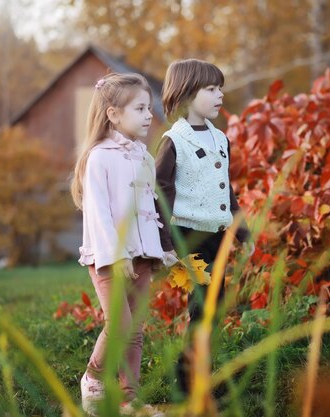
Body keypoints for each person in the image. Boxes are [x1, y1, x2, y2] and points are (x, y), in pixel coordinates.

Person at [70, 72, 177, 416]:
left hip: (142, 256)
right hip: (108, 258)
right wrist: (116, 256)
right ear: (114, 114)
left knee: (135, 331)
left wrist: (162, 248)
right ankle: (94, 379)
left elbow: (150, 209)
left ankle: (130, 399)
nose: (149, 115)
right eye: (141, 108)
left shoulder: (143, 157)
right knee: (121, 325)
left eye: (150, 108)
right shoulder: (99, 157)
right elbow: (99, 213)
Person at [155, 59, 254, 394]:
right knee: (204, 304)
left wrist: (243, 232)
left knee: (214, 306)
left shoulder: (220, 139)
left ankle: (202, 373)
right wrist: (165, 243)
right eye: (210, 89)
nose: (219, 95)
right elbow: (161, 194)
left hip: (218, 237)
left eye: (220, 88)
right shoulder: (174, 141)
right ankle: (189, 382)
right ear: (186, 94)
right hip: (188, 239)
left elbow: (226, 191)